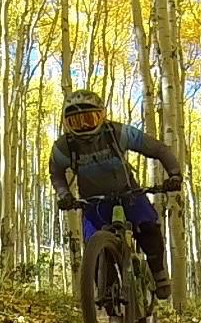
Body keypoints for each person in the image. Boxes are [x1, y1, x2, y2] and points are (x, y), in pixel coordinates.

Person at [49, 90, 183, 301]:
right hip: (94, 204)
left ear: (102, 116)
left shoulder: (118, 133)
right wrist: (64, 194)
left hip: (128, 194)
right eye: (76, 121)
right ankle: (110, 311)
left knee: (148, 226)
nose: (84, 126)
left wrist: (174, 174)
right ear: (66, 123)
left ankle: (158, 272)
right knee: (94, 251)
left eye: (89, 118)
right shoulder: (64, 147)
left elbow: (158, 149)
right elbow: (56, 173)